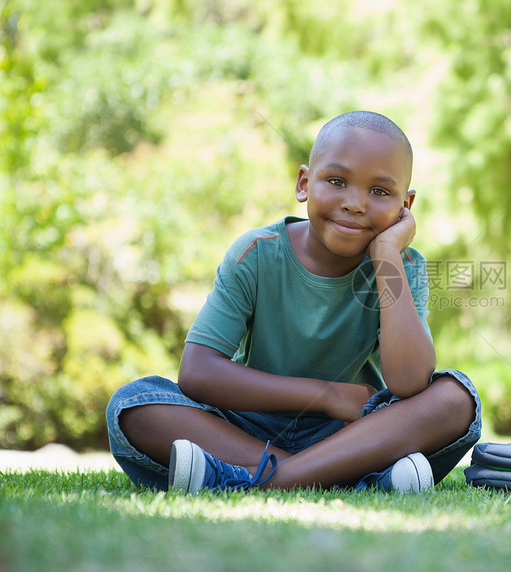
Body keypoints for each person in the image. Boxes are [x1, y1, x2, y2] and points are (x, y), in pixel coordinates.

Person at [105, 111, 482, 494]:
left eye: (380, 192)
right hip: (248, 427)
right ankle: (354, 480)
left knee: (456, 399)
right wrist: (329, 396)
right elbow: (198, 372)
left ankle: (259, 478)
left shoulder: (402, 266)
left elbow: (410, 381)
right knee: (133, 404)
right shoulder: (256, 254)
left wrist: (386, 254)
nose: (355, 203)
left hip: (355, 433)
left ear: (406, 205)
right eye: (337, 181)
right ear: (304, 183)